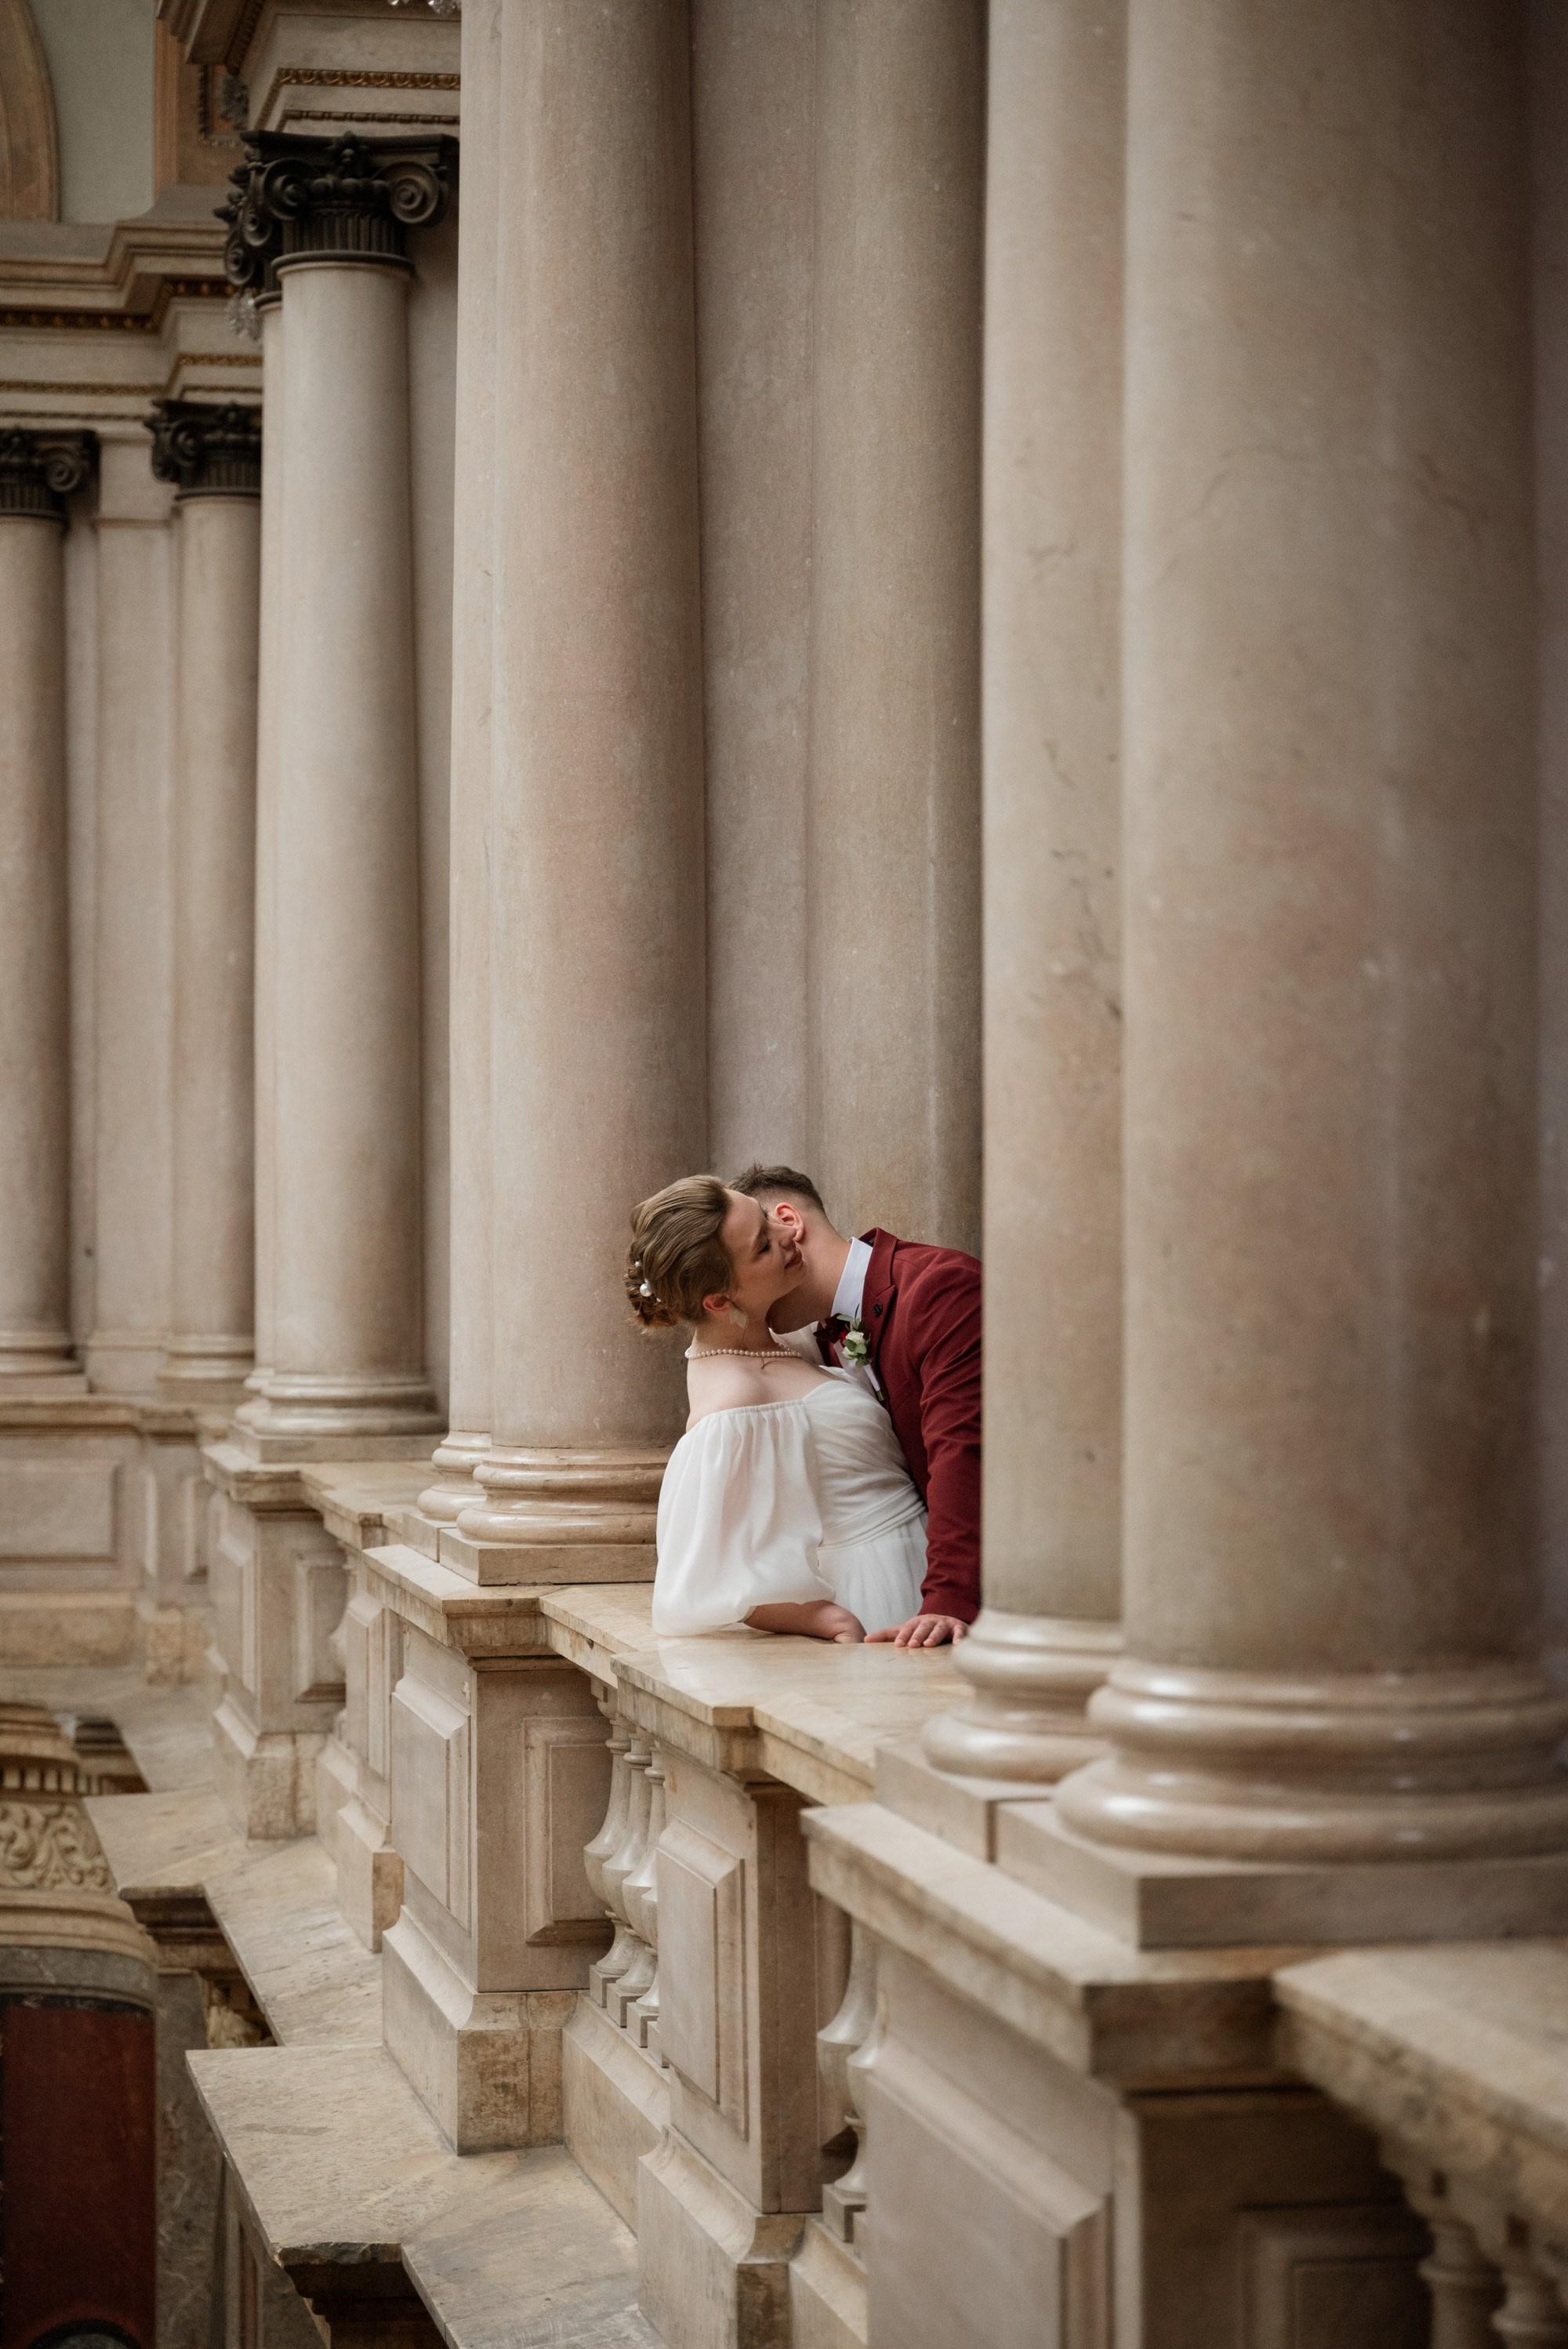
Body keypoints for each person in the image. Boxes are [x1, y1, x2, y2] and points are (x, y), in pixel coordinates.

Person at [627, 1175, 930, 1643]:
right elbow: (704, 1573)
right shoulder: (733, 1400)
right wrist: (816, 1618)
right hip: (881, 1586)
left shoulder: (781, 1338)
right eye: (763, 1247)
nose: (789, 1231)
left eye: (766, 1216)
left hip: (922, 1557)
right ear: (719, 1300)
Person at [728, 1164, 979, 1647]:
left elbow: (963, 1450)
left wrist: (949, 1599)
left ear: (788, 1224)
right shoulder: (820, 1339)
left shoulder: (940, 1288)